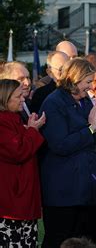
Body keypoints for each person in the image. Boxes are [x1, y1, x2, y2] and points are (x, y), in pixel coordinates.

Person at [40, 58, 96, 247]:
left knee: (85, 240)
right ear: (74, 79)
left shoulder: (84, 101)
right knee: (60, 239)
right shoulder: (54, 103)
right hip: (64, 191)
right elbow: (60, 144)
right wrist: (90, 129)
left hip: (85, 188)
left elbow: (93, 136)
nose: (91, 87)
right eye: (88, 82)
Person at [0, 79, 45, 247]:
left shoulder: (13, 119)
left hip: (23, 199)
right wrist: (33, 130)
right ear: (5, 99)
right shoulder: (2, 121)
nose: (23, 100)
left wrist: (31, 129)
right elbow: (18, 151)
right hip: (10, 203)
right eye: (18, 96)